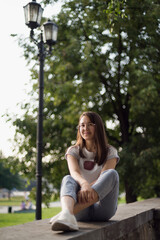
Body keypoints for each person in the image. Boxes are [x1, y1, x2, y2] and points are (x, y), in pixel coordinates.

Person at [50, 111, 120, 232]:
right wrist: (84, 184)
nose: (85, 128)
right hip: (82, 210)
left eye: (90, 124)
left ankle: (67, 213)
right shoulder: (73, 151)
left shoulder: (110, 152)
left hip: (103, 209)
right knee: (68, 178)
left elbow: (103, 179)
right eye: (82, 125)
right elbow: (75, 173)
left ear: (98, 127)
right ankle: (67, 214)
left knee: (112, 174)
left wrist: (86, 189)